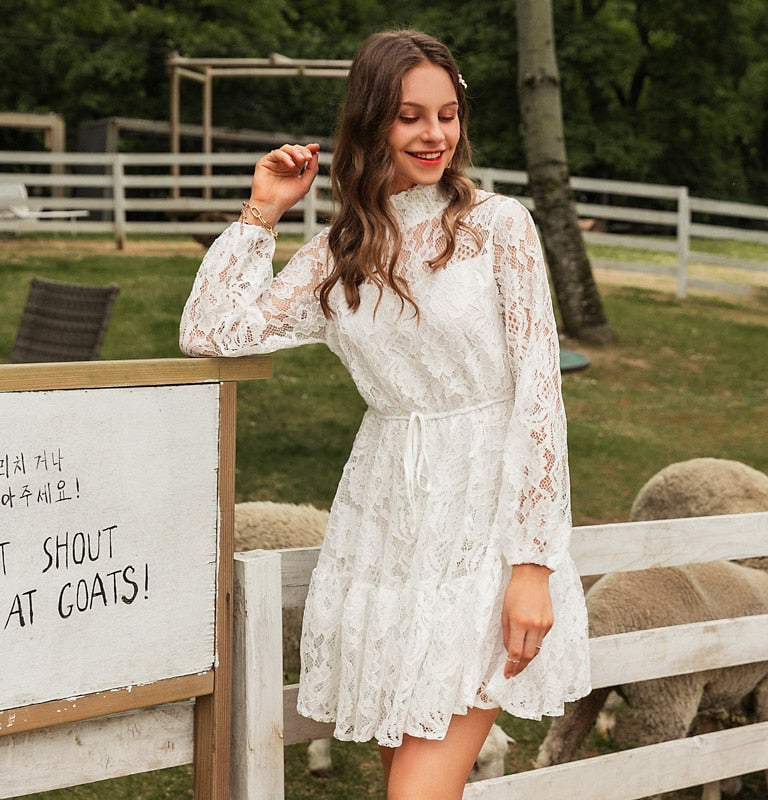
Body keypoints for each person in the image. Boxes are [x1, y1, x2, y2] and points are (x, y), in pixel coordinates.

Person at [181, 29, 590, 800]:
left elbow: (541, 397)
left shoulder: (498, 228)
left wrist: (533, 564)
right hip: (387, 539)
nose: (434, 134)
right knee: (407, 780)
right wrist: (261, 212)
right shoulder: (341, 252)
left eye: (446, 114)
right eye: (410, 116)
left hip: (484, 538)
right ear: (372, 122)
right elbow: (208, 334)